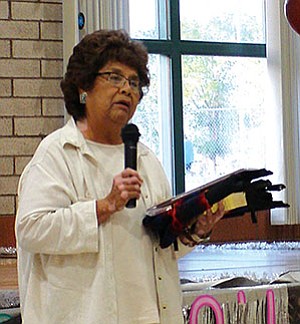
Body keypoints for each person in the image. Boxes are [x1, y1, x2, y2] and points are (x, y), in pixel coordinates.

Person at [15, 29, 224, 324]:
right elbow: (31, 229)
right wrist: (103, 206)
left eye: (134, 82)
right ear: (83, 87)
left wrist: (195, 230)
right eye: (114, 77)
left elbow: (158, 243)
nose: (126, 89)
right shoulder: (57, 153)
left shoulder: (146, 160)